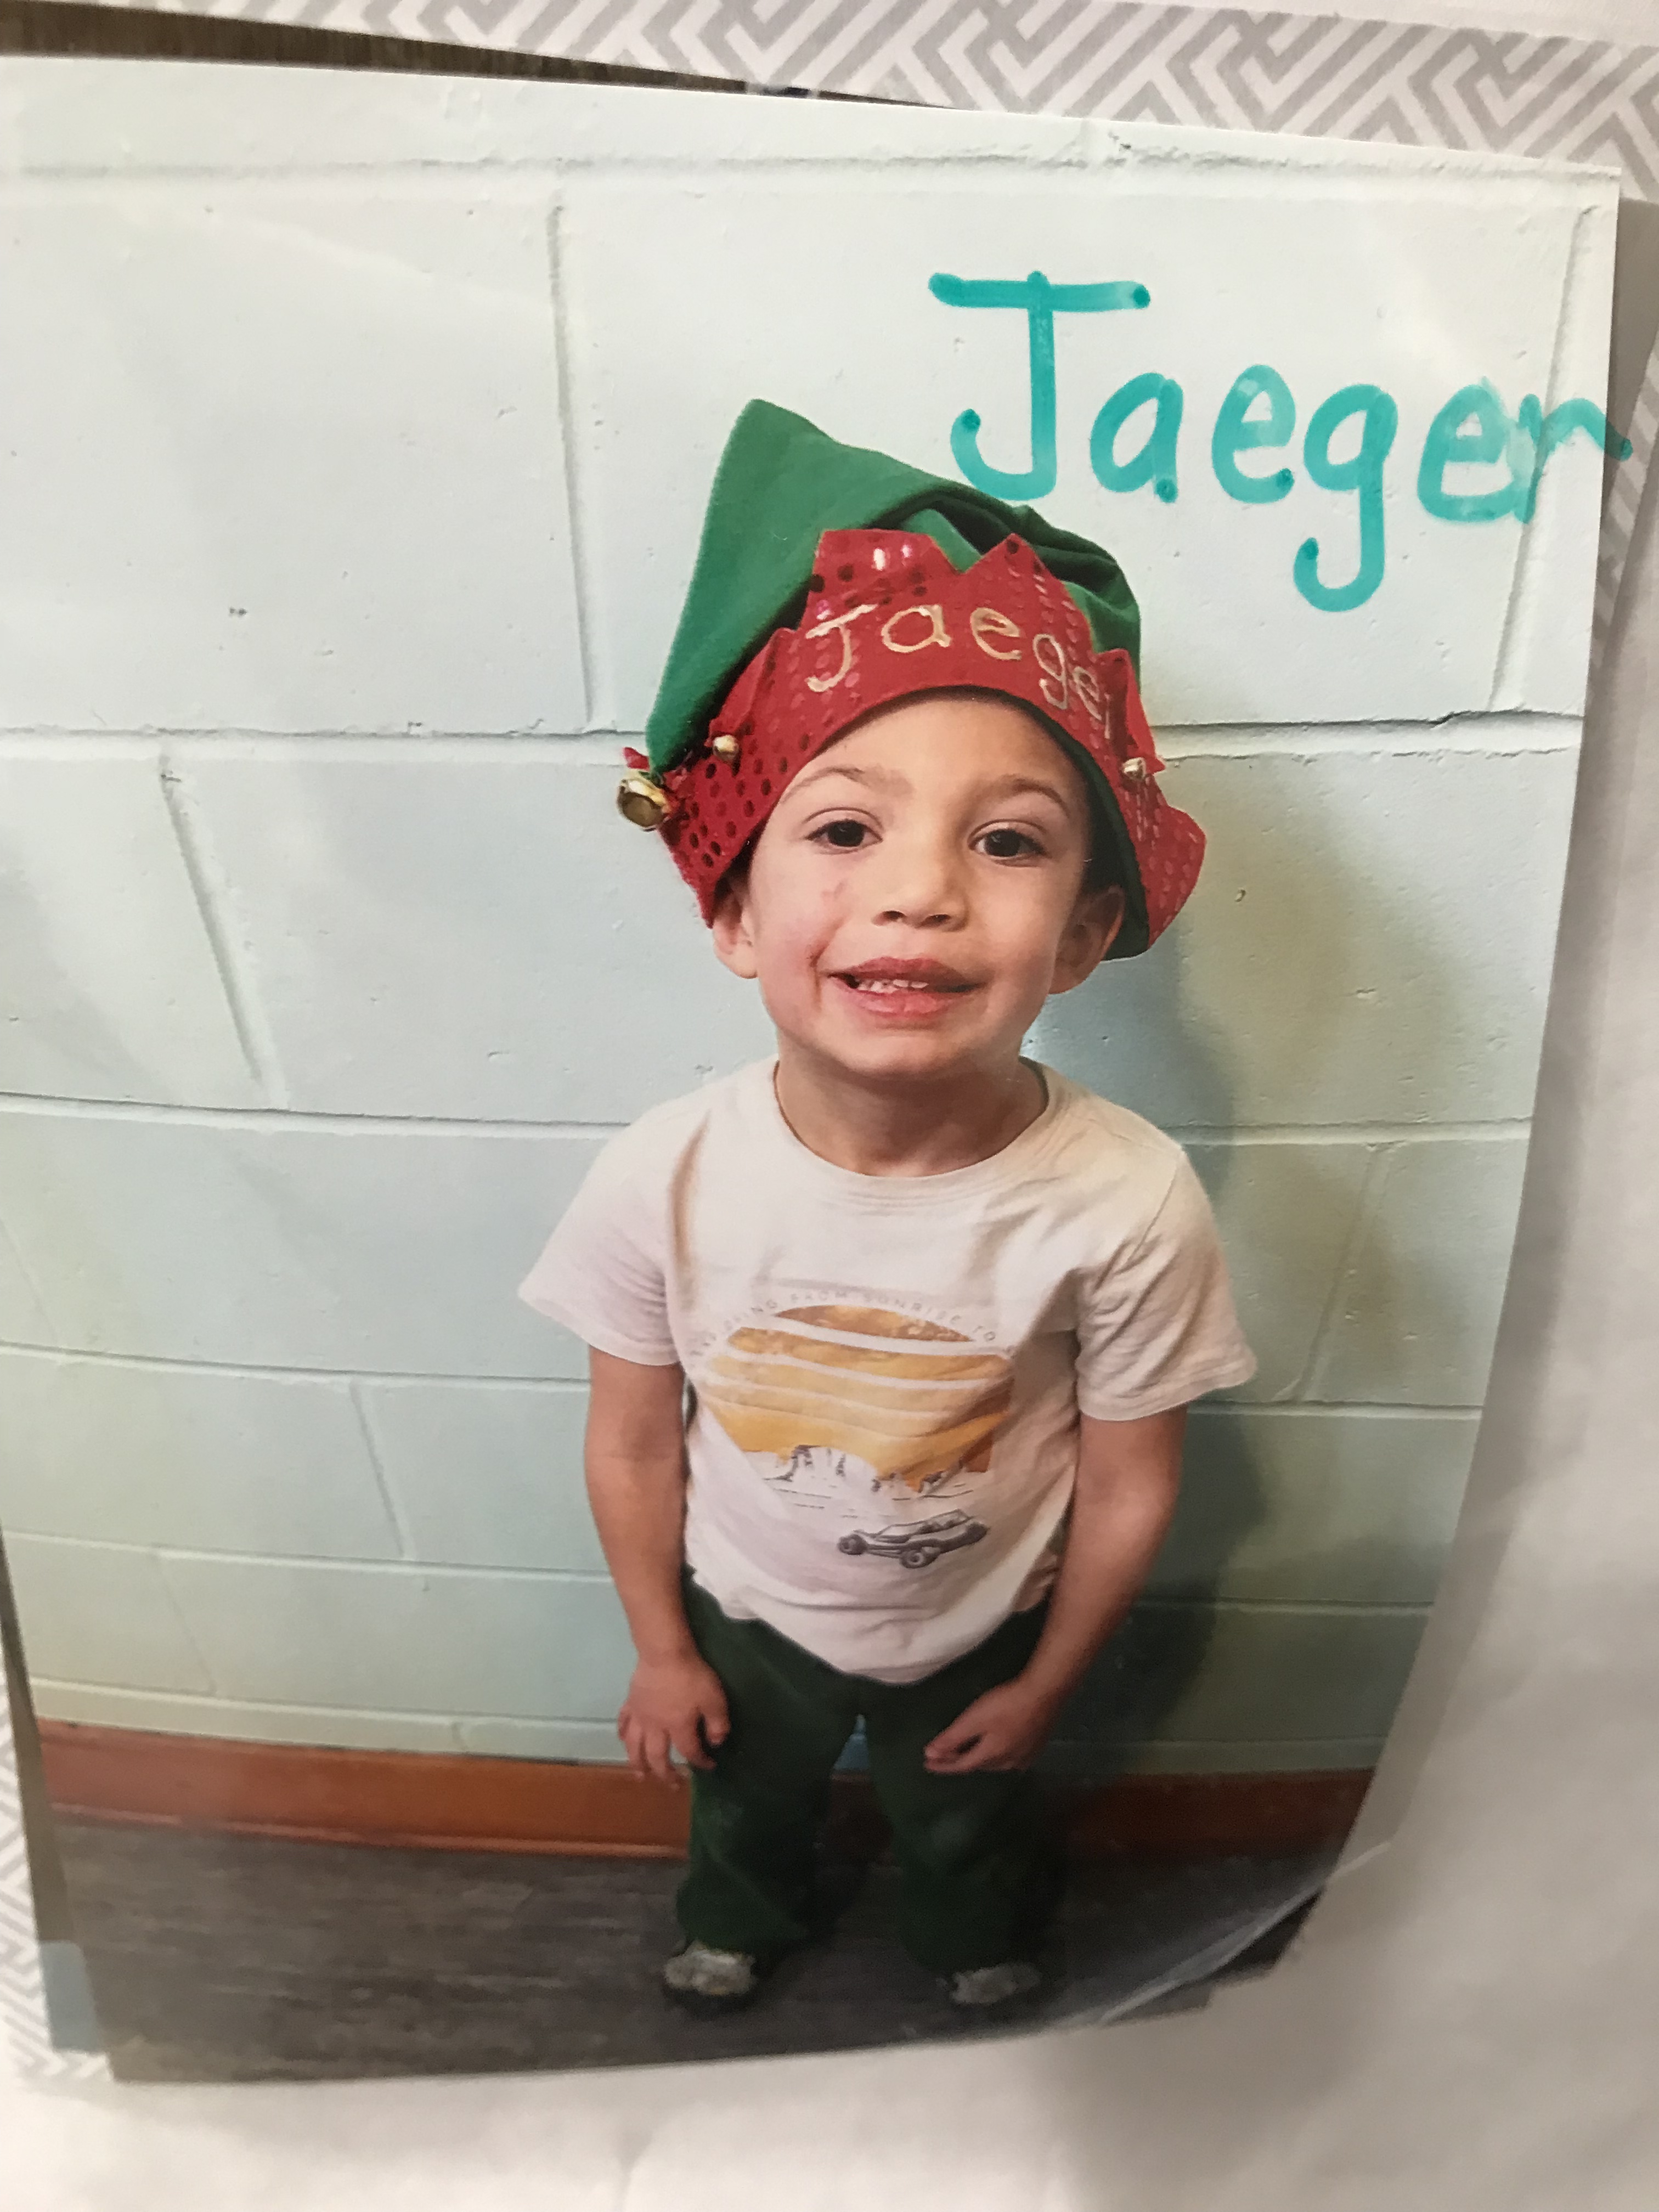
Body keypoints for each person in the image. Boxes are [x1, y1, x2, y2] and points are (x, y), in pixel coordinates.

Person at [520, 400, 1255, 2021]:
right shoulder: (661, 1173)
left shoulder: (1127, 1198)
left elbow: (1133, 1473)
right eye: (846, 828)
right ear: (733, 909)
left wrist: (1049, 1679)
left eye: (1007, 842)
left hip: (989, 1623)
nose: (921, 891)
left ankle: (971, 1932)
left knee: (970, 1816)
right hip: (747, 1610)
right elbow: (633, 1444)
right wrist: (663, 1646)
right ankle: (740, 1917)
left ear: (1082, 937)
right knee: (743, 1803)